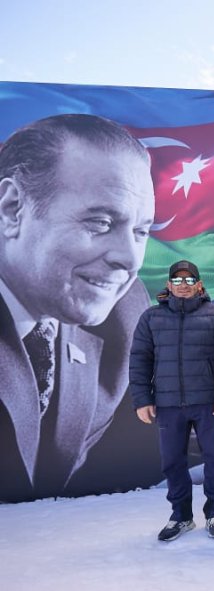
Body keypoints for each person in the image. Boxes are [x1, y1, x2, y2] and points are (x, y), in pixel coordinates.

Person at [0, 113, 157, 502]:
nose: (128, 259)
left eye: (141, 232)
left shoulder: (123, 311)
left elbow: (157, 440)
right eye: (101, 223)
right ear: (12, 209)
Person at [129, 261, 214, 541]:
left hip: (207, 403)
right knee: (172, 462)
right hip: (168, 404)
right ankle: (181, 516)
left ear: (199, 285)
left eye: (189, 280)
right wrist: (142, 399)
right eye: (177, 280)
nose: (183, 285)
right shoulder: (151, 317)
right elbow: (139, 360)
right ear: (169, 285)